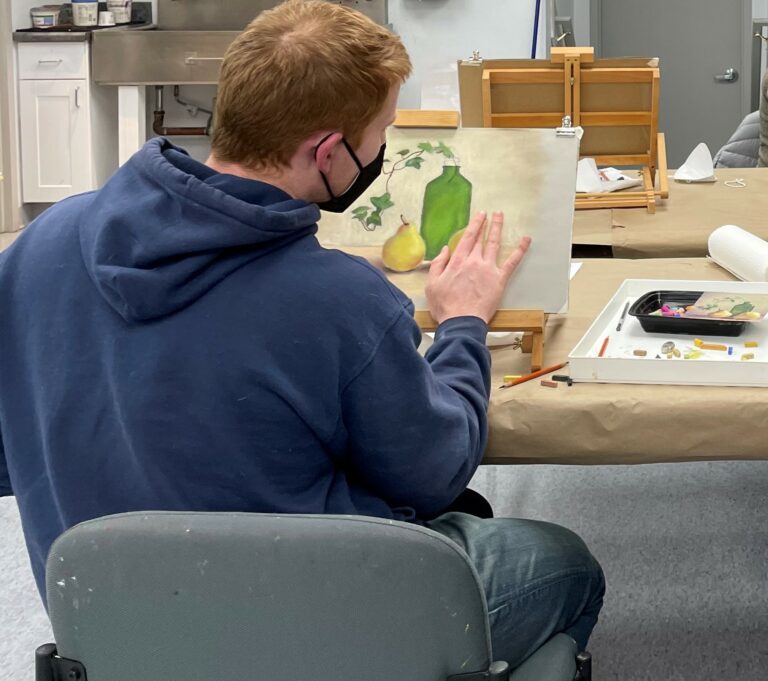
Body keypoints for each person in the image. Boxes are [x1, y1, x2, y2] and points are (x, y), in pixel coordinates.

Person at [0, 0, 604, 668]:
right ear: (326, 152)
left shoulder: (38, 246)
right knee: (565, 565)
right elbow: (434, 471)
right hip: (309, 629)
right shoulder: (338, 301)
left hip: (118, 633)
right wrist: (462, 322)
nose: (381, 155)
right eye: (381, 138)